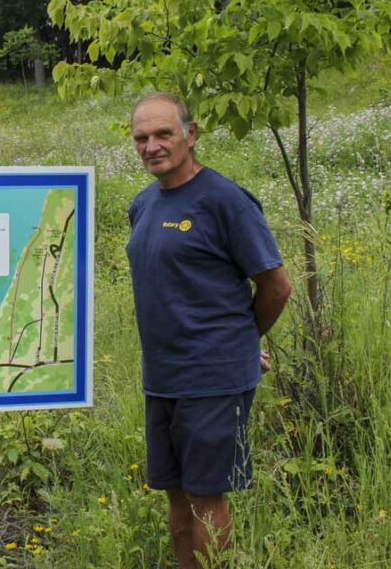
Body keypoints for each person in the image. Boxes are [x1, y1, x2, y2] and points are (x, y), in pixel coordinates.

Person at [125, 93, 291, 568]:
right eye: (142, 138)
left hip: (213, 379)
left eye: (163, 134)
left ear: (190, 135)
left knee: (206, 498)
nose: (152, 146)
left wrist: (243, 344)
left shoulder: (225, 201)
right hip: (162, 377)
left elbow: (276, 286)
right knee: (175, 498)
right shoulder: (142, 205)